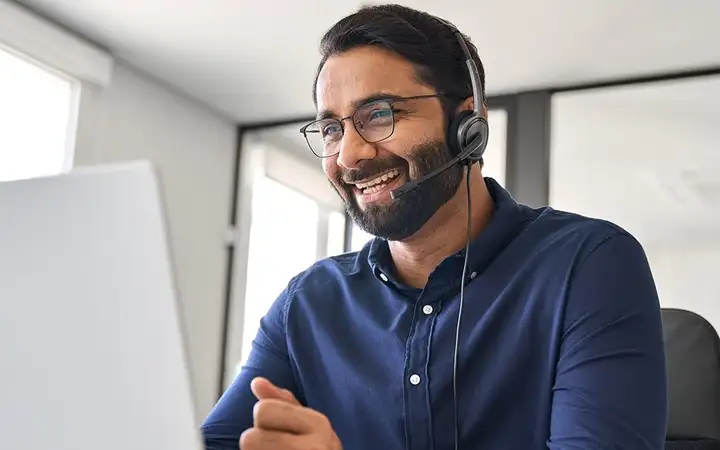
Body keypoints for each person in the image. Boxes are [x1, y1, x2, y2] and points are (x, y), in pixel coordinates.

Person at [201, 4, 668, 450]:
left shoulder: (589, 264)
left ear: (469, 125)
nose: (349, 156)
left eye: (379, 114)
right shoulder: (307, 303)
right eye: (332, 130)